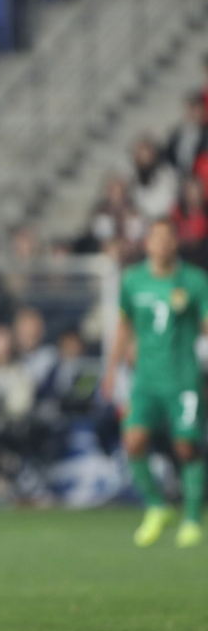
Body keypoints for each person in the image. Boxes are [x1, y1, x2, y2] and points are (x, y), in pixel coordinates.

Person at [103, 217, 208, 549]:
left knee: (186, 447)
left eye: (167, 238)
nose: (162, 244)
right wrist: (111, 370)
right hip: (145, 380)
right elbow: (124, 326)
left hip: (184, 379)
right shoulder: (133, 281)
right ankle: (157, 506)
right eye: (155, 238)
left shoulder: (195, 281)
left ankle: (192, 518)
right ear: (146, 244)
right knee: (133, 441)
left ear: (174, 243)